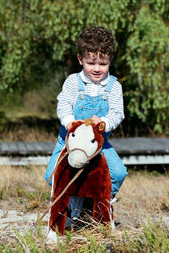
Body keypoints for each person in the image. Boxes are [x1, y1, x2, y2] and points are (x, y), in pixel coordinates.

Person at [44, 26, 128, 223]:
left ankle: (101, 199)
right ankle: (74, 201)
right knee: (52, 175)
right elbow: (63, 104)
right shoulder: (73, 82)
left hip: (98, 144)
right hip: (70, 141)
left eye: (103, 63)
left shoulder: (114, 87)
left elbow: (117, 113)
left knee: (118, 173)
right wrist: (69, 122)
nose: (97, 68)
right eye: (91, 63)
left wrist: (105, 123)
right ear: (80, 59)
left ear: (110, 61)